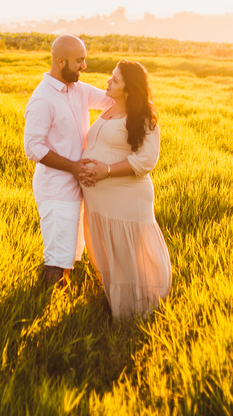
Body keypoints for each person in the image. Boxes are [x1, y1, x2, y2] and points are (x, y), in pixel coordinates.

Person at [77, 60, 171, 318]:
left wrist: (105, 170)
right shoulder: (108, 109)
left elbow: (146, 160)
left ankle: (141, 308)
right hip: (100, 201)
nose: (108, 82)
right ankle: (115, 301)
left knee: (130, 252)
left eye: (115, 80)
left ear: (129, 89)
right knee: (110, 251)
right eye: (111, 77)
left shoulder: (142, 118)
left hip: (126, 196)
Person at [23, 35, 114, 288]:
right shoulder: (43, 99)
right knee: (57, 256)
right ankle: (42, 307)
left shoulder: (79, 90)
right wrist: (74, 167)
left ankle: (61, 303)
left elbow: (112, 100)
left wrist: (139, 98)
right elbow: (33, 148)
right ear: (61, 61)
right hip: (56, 188)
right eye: (79, 61)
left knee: (72, 252)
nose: (84, 66)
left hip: (79, 187)